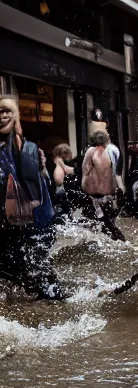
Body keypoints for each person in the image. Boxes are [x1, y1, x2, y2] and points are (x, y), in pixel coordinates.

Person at [0, 97, 64, 299]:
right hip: (9, 225)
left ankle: (57, 306)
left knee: (38, 274)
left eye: (6, 111)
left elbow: (42, 188)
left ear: (15, 115)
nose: (3, 116)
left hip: (34, 224)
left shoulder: (30, 149)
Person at [82, 131, 125, 241]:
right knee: (109, 229)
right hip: (104, 197)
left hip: (99, 197)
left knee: (105, 229)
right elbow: (116, 174)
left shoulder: (93, 152)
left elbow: (85, 175)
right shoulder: (111, 151)